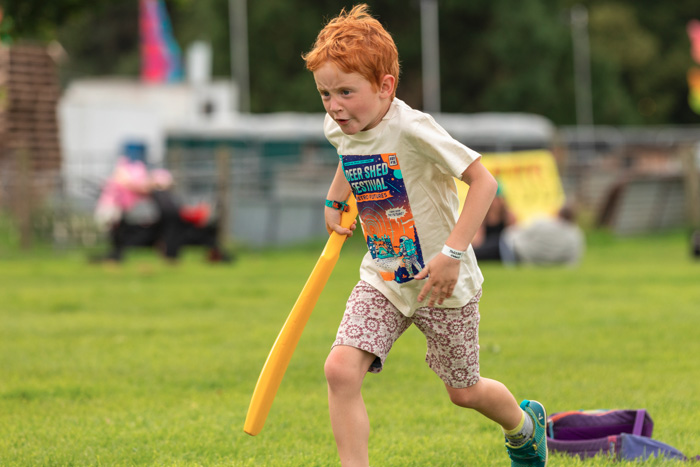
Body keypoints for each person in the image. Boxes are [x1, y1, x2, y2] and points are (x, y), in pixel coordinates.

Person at [302, 5, 547, 466]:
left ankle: (525, 427)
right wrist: (336, 200)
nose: (334, 106)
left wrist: (453, 254)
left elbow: (485, 183)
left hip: (442, 284)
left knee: (464, 391)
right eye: (325, 94)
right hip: (385, 276)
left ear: (385, 87)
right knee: (339, 369)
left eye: (345, 93)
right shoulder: (341, 125)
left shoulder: (413, 129)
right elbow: (349, 151)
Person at [500, 204, 585, 266]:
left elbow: (519, 234)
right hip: (548, 262)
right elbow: (574, 260)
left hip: (521, 256)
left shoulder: (542, 222)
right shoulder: (576, 235)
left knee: (502, 239)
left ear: (559, 214)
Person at [472, 183, 517, 261]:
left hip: (502, 249)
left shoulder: (508, 216)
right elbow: (478, 240)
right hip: (487, 249)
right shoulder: (483, 216)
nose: (494, 202)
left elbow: (513, 238)